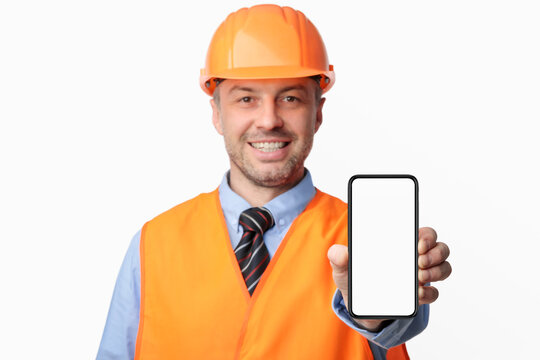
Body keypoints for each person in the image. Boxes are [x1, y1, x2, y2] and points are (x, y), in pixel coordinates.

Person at [97, 4, 452, 360]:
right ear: (217, 114)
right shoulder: (153, 244)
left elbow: (398, 329)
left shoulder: (367, 237)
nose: (268, 120)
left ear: (317, 113)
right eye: (247, 98)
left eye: (290, 98)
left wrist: (376, 319)